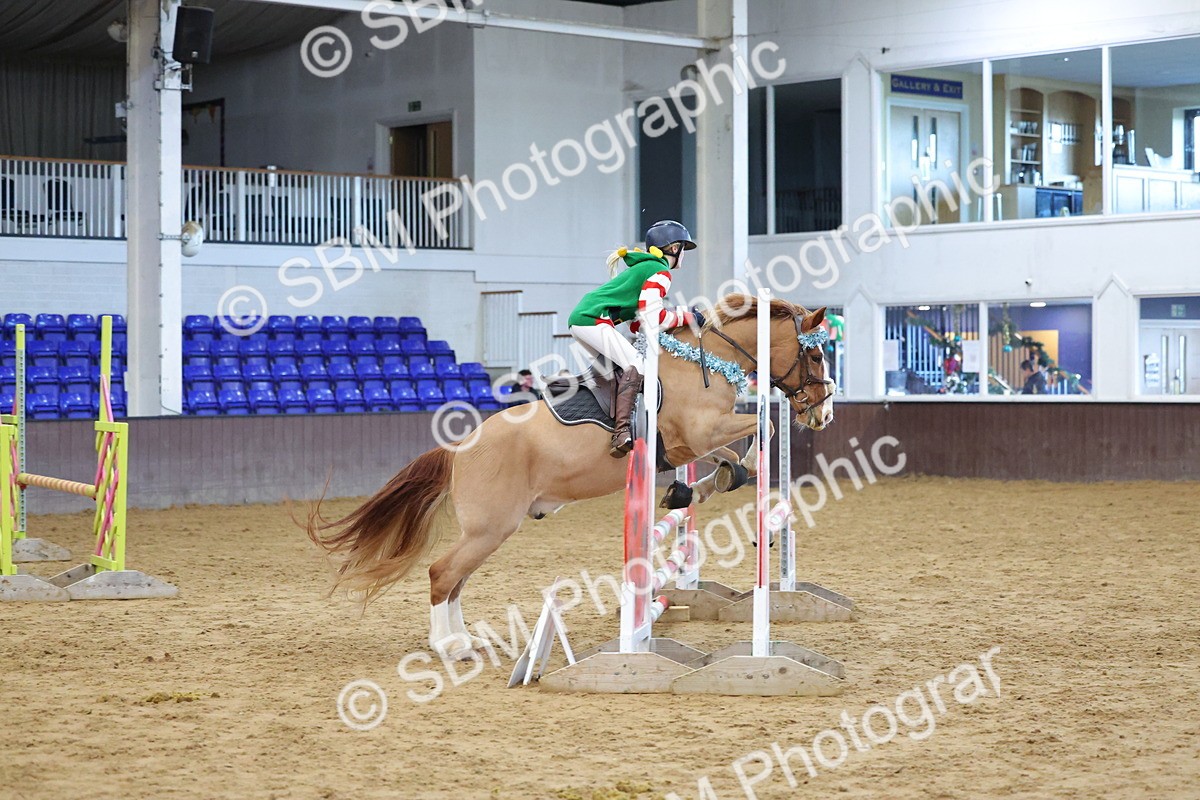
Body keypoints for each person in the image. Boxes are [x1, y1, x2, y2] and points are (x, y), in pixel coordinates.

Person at [567, 220, 702, 457]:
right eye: (683, 247)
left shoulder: (646, 267)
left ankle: (599, 418)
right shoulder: (660, 271)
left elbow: (639, 323)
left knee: (616, 369)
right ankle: (621, 432)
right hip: (593, 320)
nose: (684, 255)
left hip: (584, 319)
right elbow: (655, 319)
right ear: (673, 248)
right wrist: (687, 317)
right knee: (636, 364)